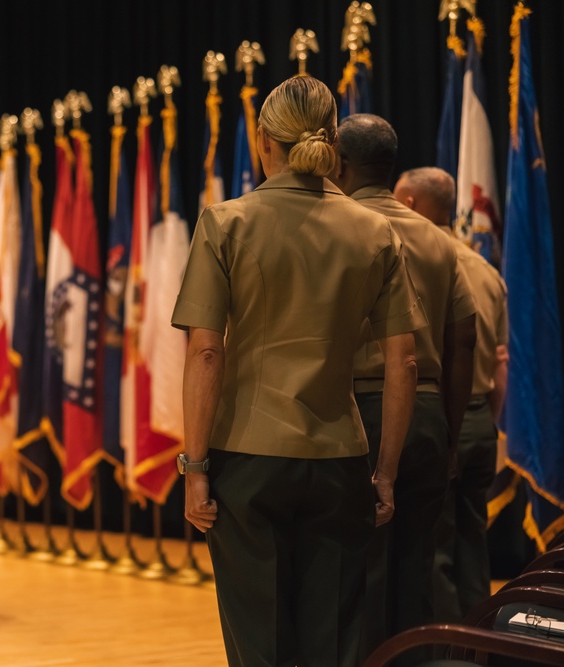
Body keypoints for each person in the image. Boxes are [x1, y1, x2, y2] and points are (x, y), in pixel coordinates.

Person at [173, 77, 421, 667]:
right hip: (340, 459)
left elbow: (207, 353)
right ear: (332, 140)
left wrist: (196, 468)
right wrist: (385, 473)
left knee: (259, 644)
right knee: (333, 643)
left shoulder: (225, 222)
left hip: (248, 460)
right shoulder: (375, 229)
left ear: (264, 141)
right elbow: (403, 361)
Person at [330, 115, 477, 659]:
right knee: (415, 569)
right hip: (432, 412)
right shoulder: (440, 241)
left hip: (359, 409)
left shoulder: (334, 224)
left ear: (338, 163)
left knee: (356, 568)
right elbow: (463, 340)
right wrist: (451, 432)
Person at [394, 166, 509, 620]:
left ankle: (446, 649)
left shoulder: (413, 262)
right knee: (472, 543)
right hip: (480, 419)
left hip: (439, 415)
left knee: (434, 549)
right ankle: (484, 640)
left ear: (409, 205)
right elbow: (500, 361)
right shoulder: (485, 270)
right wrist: (486, 421)